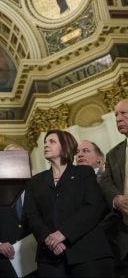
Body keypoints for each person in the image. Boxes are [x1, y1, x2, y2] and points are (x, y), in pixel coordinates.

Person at [24, 129, 113, 277]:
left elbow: (94, 207)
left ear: (65, 145)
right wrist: (48, 238)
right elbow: (31, 214)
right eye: (45, 142)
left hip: (87, 252)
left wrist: (63, 234)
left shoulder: (84, 173)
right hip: (50, 257)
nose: (46, 145)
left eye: (52, 141)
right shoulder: (35, 181)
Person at [0, 144, 31, 278]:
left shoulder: (37, 187)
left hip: (35, 261)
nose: (15, 161)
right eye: (11, 158)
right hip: (5, 264)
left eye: (19, 158)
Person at [100, 98, 128, 277]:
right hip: (124, 232)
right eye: (116, 114)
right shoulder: (112, 154)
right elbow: (106, 182)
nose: (118, 118)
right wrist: (117, 199)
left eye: (123, 113)